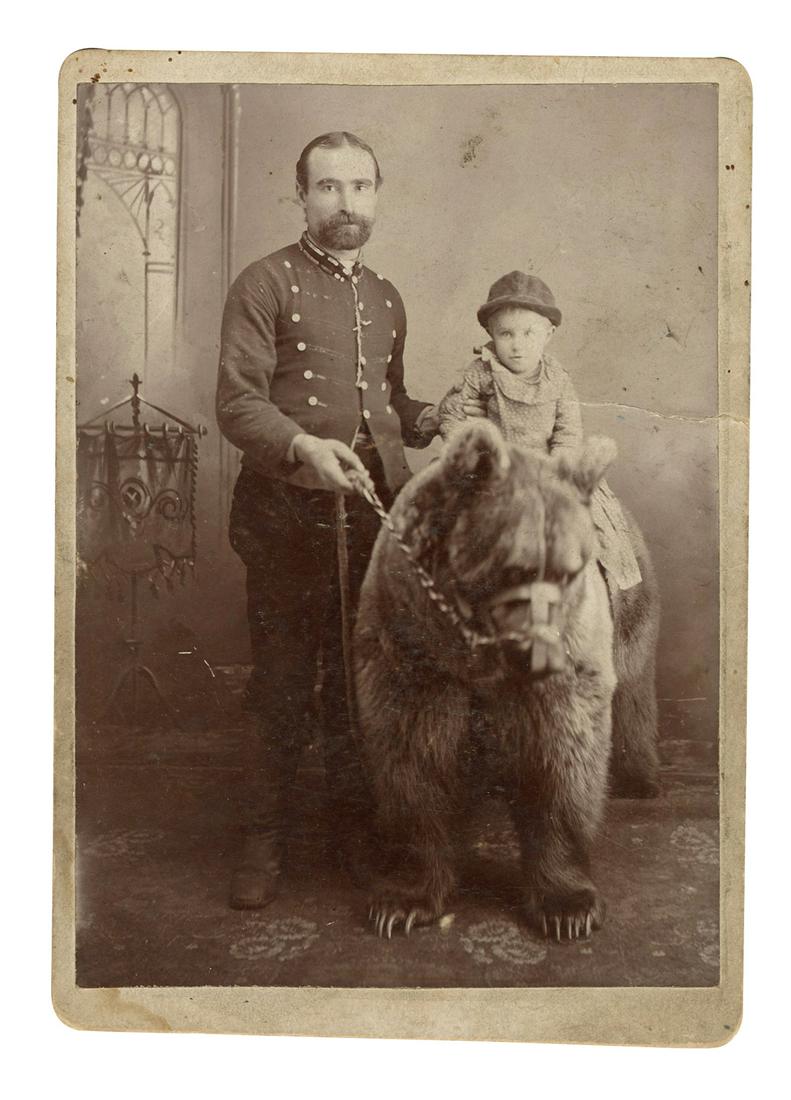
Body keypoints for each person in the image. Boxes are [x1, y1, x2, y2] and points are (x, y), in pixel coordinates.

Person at [216, 132, 439, 909]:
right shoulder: (263, 282)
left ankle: (357, 833)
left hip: (371, 520)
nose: (346, 204)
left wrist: (428, 417)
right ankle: (261, 838)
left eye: (360, 187)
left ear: (377, 193)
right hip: (284, 515)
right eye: (328, 188)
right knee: (282, 684)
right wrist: (303, 446)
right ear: (301, 197)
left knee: (360, 687)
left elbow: (387, 404)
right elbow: (238, 403)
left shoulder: (383, 296)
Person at [438, 270, 642, 596]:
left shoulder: (557, 378)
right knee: (443, 525)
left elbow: (568, 429)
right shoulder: (481, 373)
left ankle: (601, 598)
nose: (517, 345)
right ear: (490, 332)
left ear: (549, 334)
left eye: (529, 333)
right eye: (506, 334)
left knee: (594, 528)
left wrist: (558, 466)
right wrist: (476, 452)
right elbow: (452, 416)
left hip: (550, 469)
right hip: (495, 469)